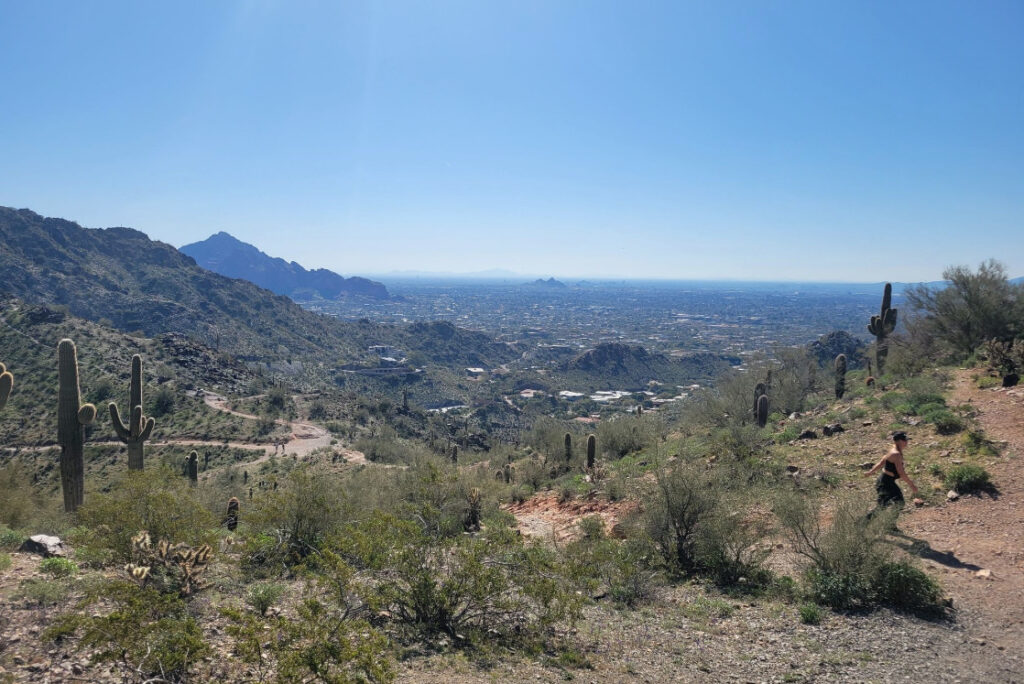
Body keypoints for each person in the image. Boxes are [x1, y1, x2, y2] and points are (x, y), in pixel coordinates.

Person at [864, 431, 920, 520]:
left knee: (889, 504)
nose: (906, 442)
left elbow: (882, 462)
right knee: (892, 504)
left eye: (906, 440)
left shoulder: (895, 450)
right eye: (904, 440)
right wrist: (912, 485)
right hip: (885, 483)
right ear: (898, 441)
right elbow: (901, 473)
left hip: (887, 481)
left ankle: (887, 525)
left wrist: (870, 472)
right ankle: (863, 523)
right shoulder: (896, 454)